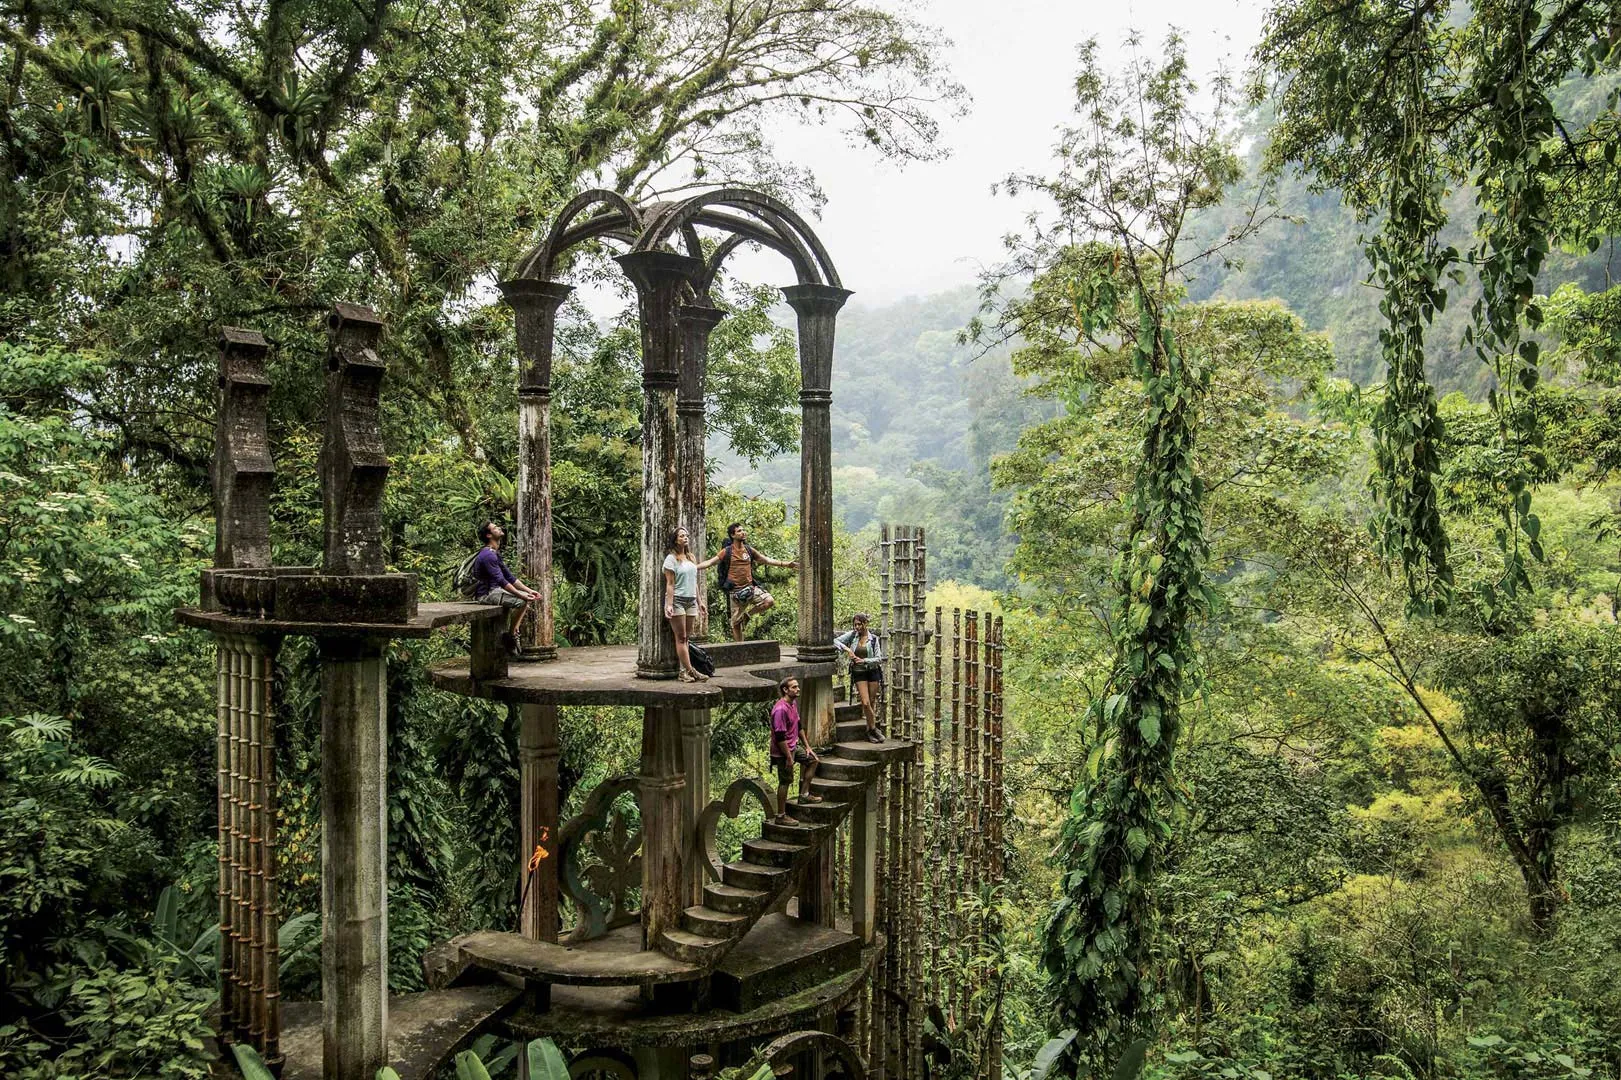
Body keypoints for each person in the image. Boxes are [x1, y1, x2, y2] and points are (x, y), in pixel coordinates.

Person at [715, 522, 797, 642]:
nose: (743, 532)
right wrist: (694, 567)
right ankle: (740, 648)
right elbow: (711, 562)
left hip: (750, 589)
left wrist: (786, 564)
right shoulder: (727, 551)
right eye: (739, 531)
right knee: (736, 623)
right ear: (732, 535)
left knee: (769, 601)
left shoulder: (748, 550)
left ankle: (747, 615)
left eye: (743, 530)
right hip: (735, 592)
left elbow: (766, 560)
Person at [470, 522, 541, 656]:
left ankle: (513, 632)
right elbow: (501, 581)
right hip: (486, 594)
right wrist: (522, 596)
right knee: (521, 602)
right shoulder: (488, 555)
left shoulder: (494, 553)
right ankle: (512, 635)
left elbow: (509, 577)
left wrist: (528, 590)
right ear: (489, 535)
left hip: (495, 591)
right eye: (495, 528)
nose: (499, 528)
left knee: (524, 598)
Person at [663, 527, 721, 683]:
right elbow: (670, 583)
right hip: (678, 600)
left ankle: (683, 672)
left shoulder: (691, 558)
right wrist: (669, 605)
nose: (685, 537)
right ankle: (691, 671)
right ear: (675, 540)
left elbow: (694, 582)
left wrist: (700, 601)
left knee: (686, 638)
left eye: (686, 535)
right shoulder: (671, 559)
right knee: (680, 637)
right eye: (682, 536)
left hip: (691, 600)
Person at [769, 676, 820, 825]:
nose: (798, 689)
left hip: (793, 746)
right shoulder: (780, 709)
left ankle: (804, 794)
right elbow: (779, 737)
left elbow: (798, 725)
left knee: (813, 761)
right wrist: (789, 758)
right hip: (782, 750)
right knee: (785, 781)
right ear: (785, 690)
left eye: (797, 686)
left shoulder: (793, 704)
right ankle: (781, 816)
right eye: (794, 687)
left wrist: (807, 747)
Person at [835, 613, 885, 743]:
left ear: (865, 624)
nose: (857, 627)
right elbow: (835, 640)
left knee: (872, 702)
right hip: (859, 672)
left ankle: (869, 732)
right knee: (865, 702)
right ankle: (874, 728)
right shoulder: (852, 636)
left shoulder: (873, 639)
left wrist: (865, 661)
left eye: (859, 624)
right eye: (855, 624)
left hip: (873, 671)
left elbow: (879, 658)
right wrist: (848, 650)